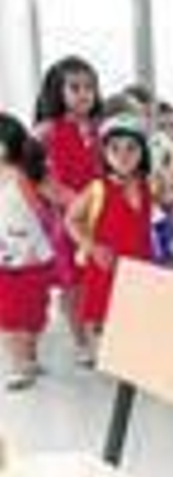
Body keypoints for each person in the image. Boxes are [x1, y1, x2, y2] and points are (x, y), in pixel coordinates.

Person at [33, 55, 103, 360]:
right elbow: (39, 178)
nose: (84, 94)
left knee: (96, 275)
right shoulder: (46, 131)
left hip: (100, 213)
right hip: (66, 219)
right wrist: (74, 201)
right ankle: (81, 342)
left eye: (89, 86)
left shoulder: (100, 128)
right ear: (57, 91)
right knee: (72, 281)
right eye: (75, 87)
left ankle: (97, 331)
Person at [64, 113, 153, 347]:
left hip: (139, 262)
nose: (123, 156)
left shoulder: (148, 185)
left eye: (131, 148)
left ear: (143, 152)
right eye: (115, 149)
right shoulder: (97, 188)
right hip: (107, 264)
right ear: (104, 153)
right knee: (106, 319)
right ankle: (115, 362)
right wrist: (92, 247)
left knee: (136, 317)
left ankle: (128, 361)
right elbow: (71, 220)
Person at [0, 115, 55, 389]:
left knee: (35, 311)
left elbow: (40, 210)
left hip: (33, 255)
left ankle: (29, 356)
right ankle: (17, 364)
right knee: (9, 314)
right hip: (5, 261)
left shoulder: (18, 176)